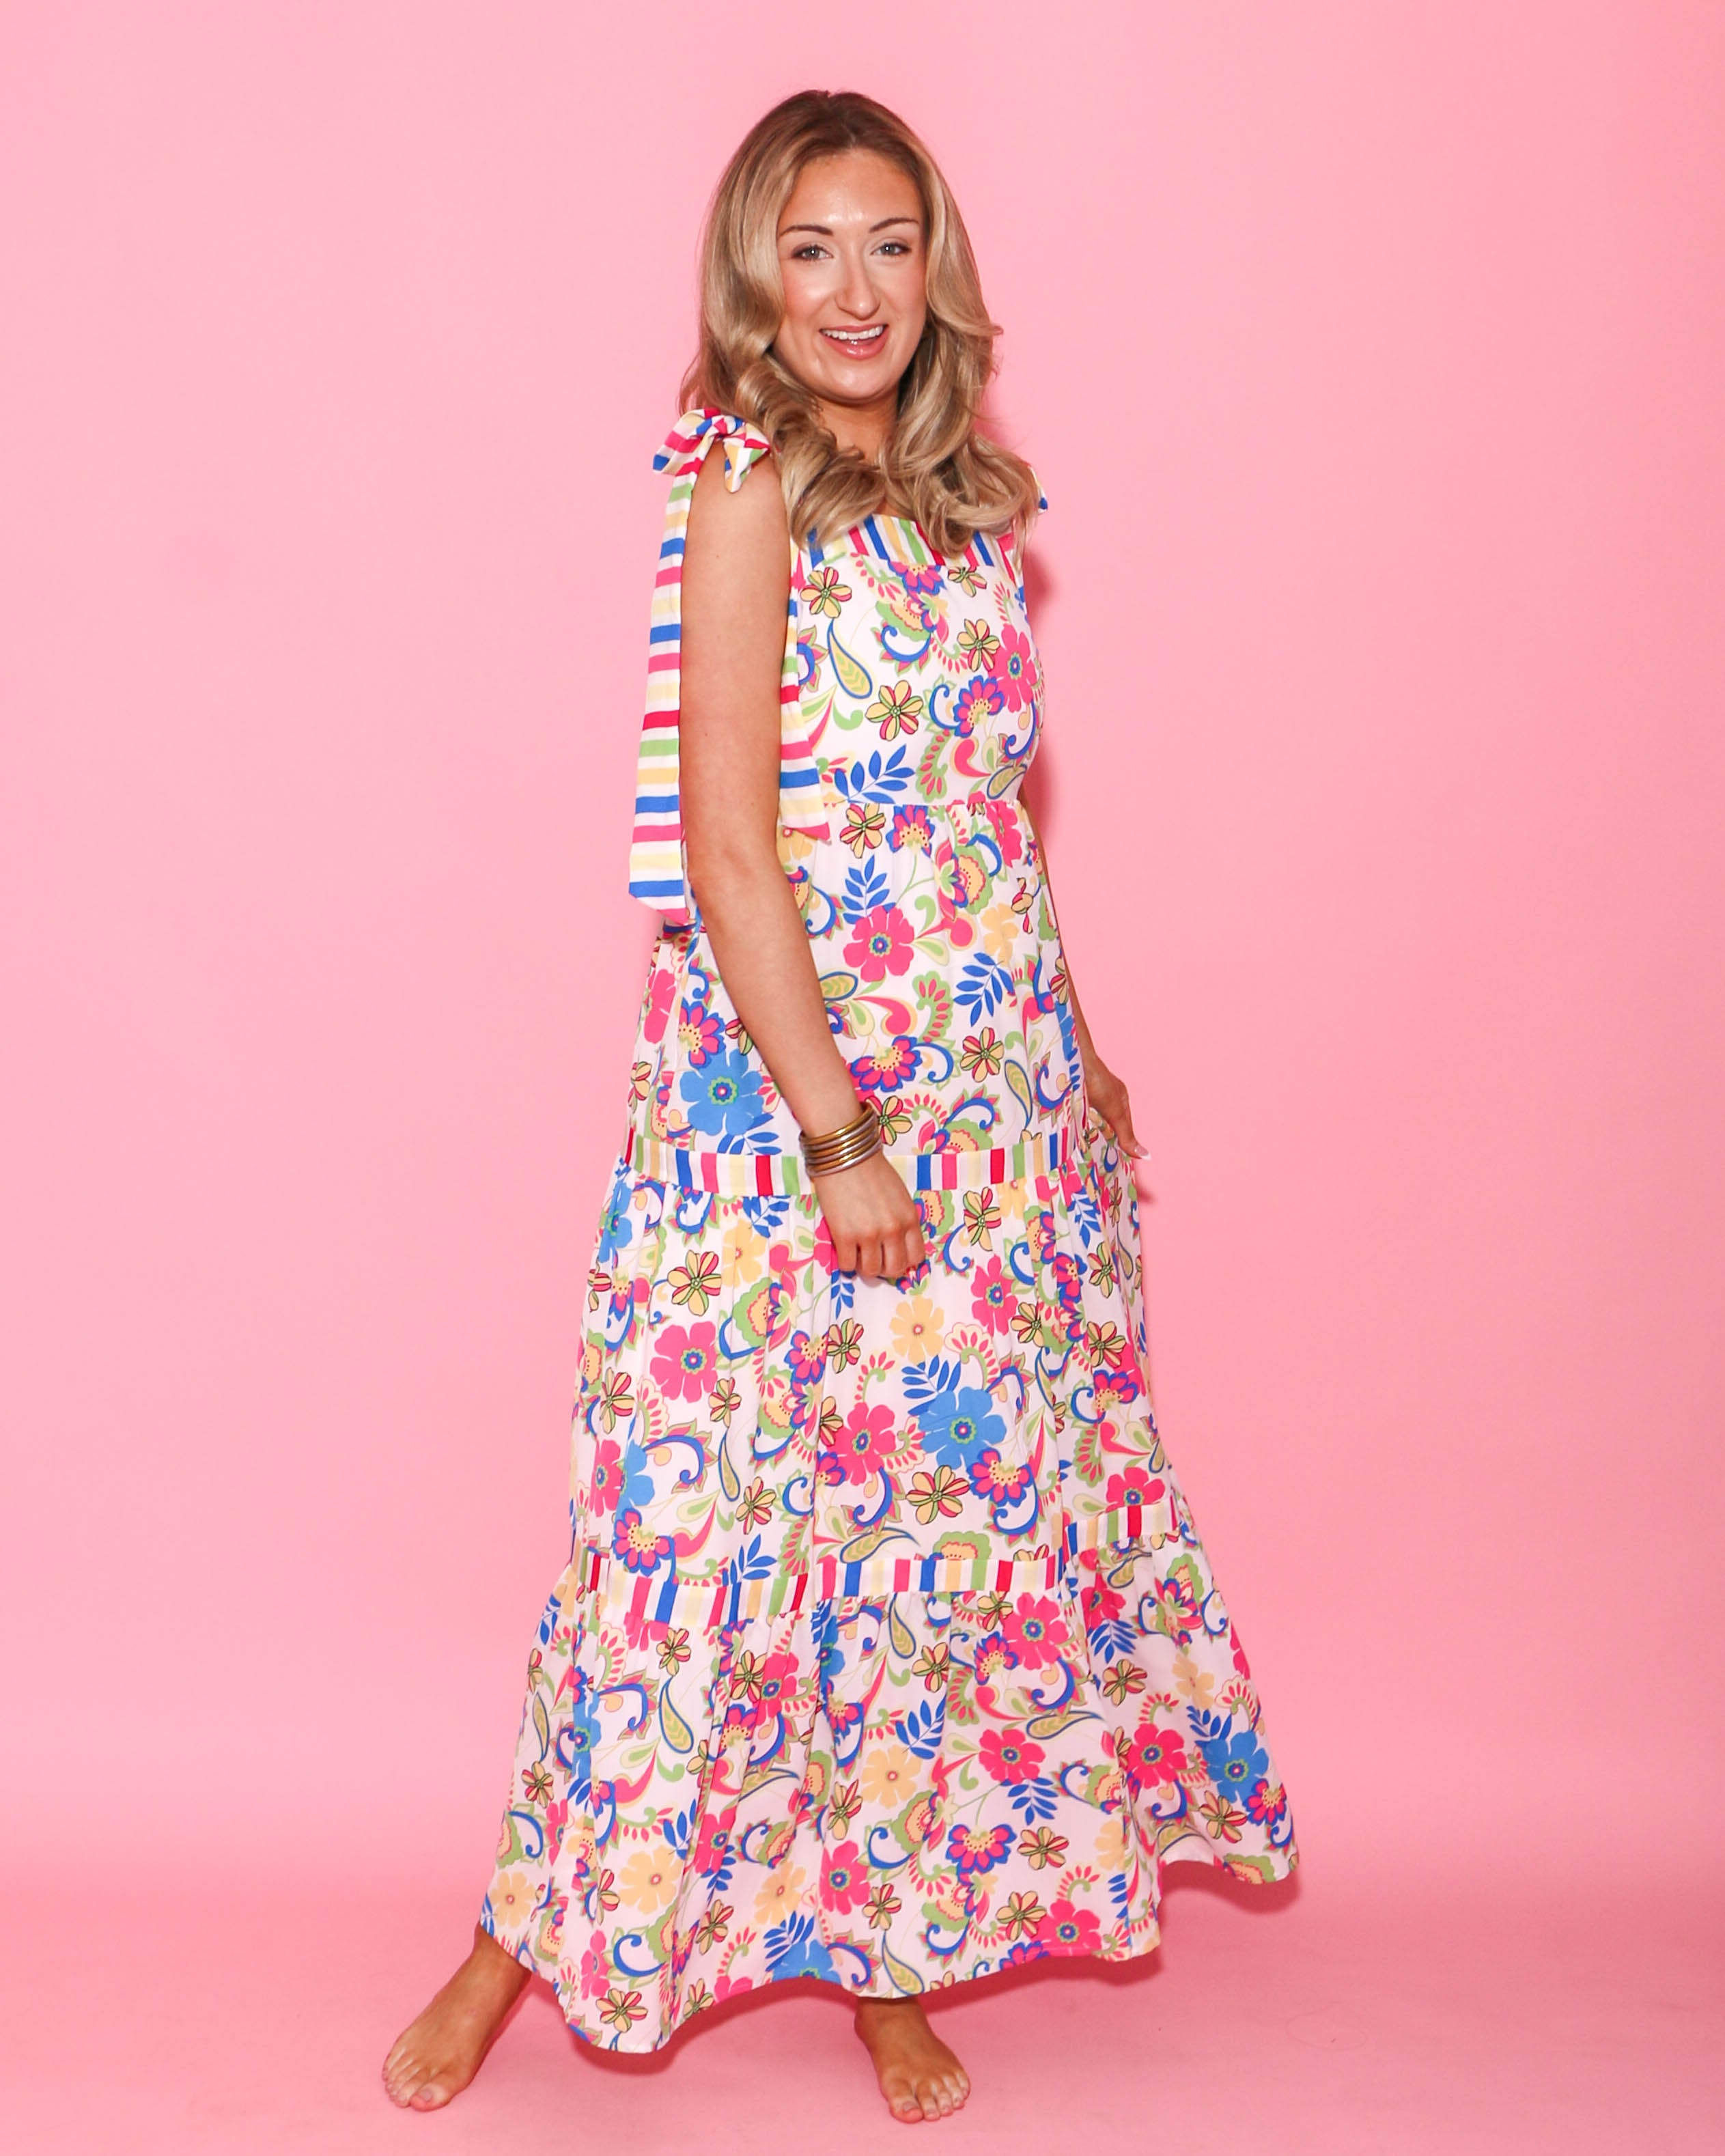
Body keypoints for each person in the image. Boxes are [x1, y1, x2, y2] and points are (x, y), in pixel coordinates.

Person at [384, 87, 1295, 2127]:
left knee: (924, 1550)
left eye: (890, 244)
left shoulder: (970, 501)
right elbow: (728, 844)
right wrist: (837, 1135)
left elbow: (992, 825)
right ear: (756, 279)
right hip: (796, 1111)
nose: (856, 290)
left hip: (997, 1115)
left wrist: (1075, 1040)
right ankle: (514, 1942)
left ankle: (891, 1958)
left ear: (935, 268)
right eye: (813, 250)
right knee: (690, 1534)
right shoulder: (743, 485)